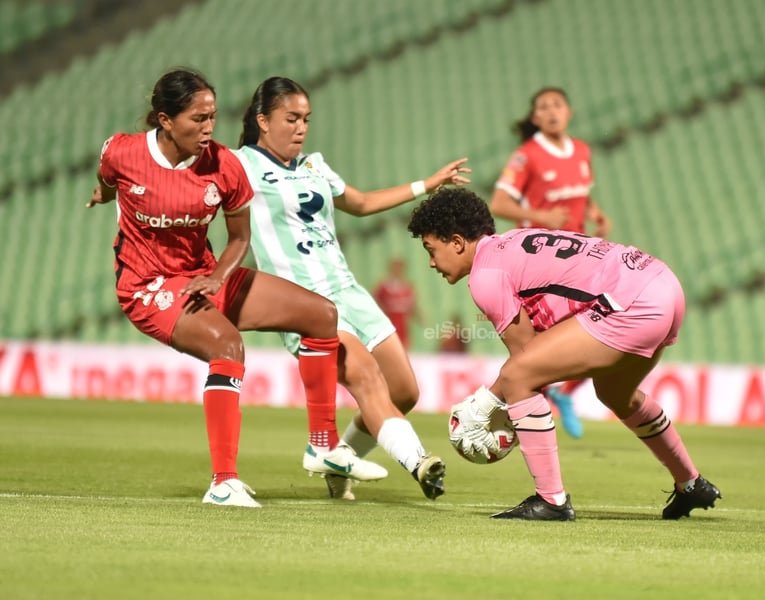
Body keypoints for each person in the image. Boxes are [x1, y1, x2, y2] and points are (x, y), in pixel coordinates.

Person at [85, 68, 386, 508]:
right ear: (164, 120)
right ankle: (223, 482)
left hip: (206, 276)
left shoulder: (224, 165)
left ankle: (322, 445)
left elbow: (240, 238)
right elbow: (109, 180)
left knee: (321, 314)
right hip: (148, 286)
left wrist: (217, 277)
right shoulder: (122, 151)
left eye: (212, 117)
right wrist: (103, 195)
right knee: (227, 347)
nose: (208, 129)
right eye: (197, 119)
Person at [407, 187, 721, 521]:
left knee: (519, 376)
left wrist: (485, 404)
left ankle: (552, 501)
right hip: (663, 283)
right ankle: (691, 483)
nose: (430, 262)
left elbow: (526, 362)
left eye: (431, 249)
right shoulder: (514, 241)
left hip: (634, 301)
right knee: (616, 393)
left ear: (456, 242)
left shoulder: (486, 275)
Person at [233, 76, 471, 500]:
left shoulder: (314, 165)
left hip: (348, 291)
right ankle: (420, 461)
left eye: (306, 118)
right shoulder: (240, 166)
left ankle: (338, 459)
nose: (302, 127)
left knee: (405, 391)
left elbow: (359, 204)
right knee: (364, 374)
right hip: (303, 302)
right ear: (263, 121)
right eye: (292, 118)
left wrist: (427, 184)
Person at [489, 87, 613, 439]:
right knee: (534, 345)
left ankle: (556, 392)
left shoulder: (583, 151)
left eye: (557, 104)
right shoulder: (526, 156)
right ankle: (503, 409)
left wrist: (595, 212)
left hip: (579, 255)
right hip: (539, 260)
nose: (552, 111)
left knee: (604, 325)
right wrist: (540, 215)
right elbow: (499, 202)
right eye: (543, 107)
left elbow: (581, 192)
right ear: (535, 118)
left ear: (569, 111)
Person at [373, 258, 418, 349]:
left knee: (403, 348)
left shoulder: (407, 287)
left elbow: (412, 307)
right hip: (388, 324)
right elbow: (374, 303)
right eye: (395, 267)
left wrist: (419, 317)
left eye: (400, 268)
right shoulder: (384, 287)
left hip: (402, 325)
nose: (398, 270)